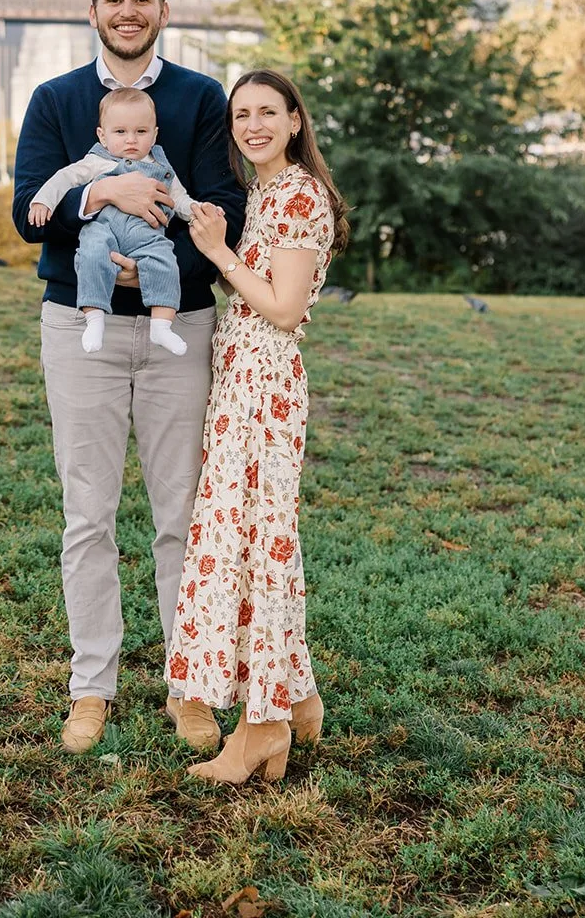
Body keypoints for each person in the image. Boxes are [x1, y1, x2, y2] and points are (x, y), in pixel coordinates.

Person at [12, 0, 247, 755]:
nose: (127, 10)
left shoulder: (200, 99)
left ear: (163, 9)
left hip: (177, 325)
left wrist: (163, 269)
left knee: (181, 516)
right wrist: (101, 196)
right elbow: (27, 213)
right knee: (88, 516)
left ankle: (191, 685)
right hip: (80, 333)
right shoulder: (54, 100)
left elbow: (226, 209)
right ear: (92, 11)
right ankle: (91, 687)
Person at [164, 69, 349, 786]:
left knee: (255, 549)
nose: (253, 125)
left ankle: (260, 728)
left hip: (266, 387)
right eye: (242, 114)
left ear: (296, 120)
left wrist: (217, 254)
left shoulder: (299, 194)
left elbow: (281, 306)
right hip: (240, 384)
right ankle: (297, 700)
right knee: (253, 539)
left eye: (268, 111)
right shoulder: (262, 195)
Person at [27, 86, 196, 356]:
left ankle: (162, 325)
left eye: (141, 132)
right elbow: (65, 178)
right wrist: (43, 200)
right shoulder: (97, 161)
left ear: (154, 135)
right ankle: (94, 319)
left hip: (148, 232)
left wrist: (198, 210)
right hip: (102, 228)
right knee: (91, 256)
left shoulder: (162, 167)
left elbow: (179, 198)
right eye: (121, 132)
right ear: (102, 136)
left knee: (165, 260)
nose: (131, 140)